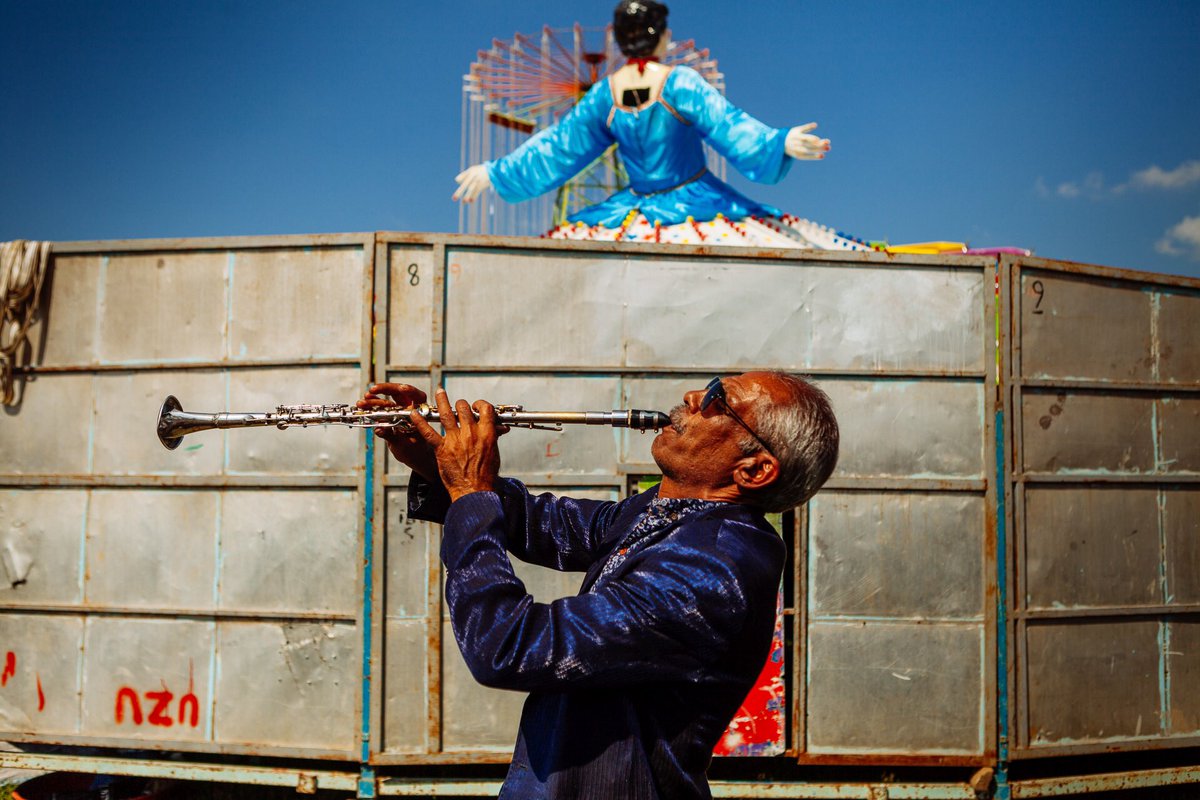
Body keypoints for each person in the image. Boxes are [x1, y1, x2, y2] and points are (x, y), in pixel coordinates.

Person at [357, 371, 839, 799]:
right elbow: (550, 525)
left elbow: (510, 645)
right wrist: (435, 460)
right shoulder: (672, 515)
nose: (694, 396)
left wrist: (470, 493)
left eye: (719, 400)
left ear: (753, 470)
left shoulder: (713, 569)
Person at [452, 0, 831, 229]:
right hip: (697, 203)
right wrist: (778, 142)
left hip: (633, 209)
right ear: (663, 36)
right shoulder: (679, 82)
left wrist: (496, 172)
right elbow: (727, 124)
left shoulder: (606, 93)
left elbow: (560, 148)